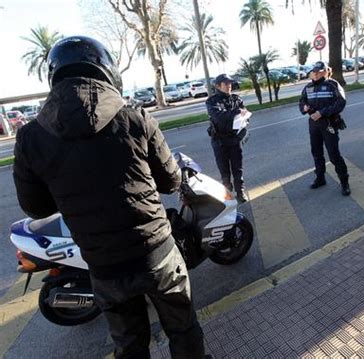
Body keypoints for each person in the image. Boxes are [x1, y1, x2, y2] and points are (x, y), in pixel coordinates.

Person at [13, 36, 207, 359]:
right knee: (183, 329)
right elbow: (172, 180)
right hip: (157, 255)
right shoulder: (135, 117)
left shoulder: (30, 137)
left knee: (129, 346)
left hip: (104, 269)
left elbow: (35, 207)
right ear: (106, 71)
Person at [299, 61, 351, 196]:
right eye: (314, 72)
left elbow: (341, 102)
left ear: (326, 71)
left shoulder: (332, 84)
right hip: (314, 125)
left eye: (319, 71)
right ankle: (320, 178)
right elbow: (302, 101)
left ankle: (344, 182)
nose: (315, 74)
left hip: (328, 124)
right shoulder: (308, 87)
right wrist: (304, 108)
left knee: (334, 155)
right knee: (316, 153)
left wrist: (321, 113)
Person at [206, 73, 249, 203]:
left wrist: (245, 119)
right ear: (218, 86)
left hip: (235, 139)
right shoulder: (212, 101)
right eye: (226, 84)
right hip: (220, 141)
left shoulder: (236, 99)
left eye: (230, 83)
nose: (229, 86)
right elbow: (219, 117)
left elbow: (245, 115)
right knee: (224, 170)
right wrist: (236, 112)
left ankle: (240, 192)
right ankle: (228, 194)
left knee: (238, 168)